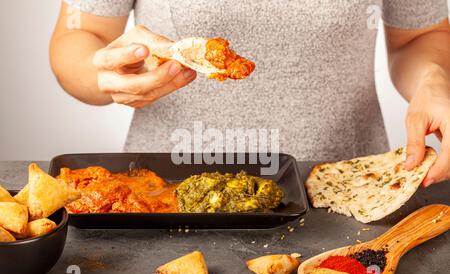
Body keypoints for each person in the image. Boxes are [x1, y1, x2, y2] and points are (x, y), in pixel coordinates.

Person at [50, 0, 450, 186]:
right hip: (163, 192)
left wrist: (434, 79)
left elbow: (420, 37)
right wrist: (102, 74)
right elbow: (78, 36)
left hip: (346, 191)